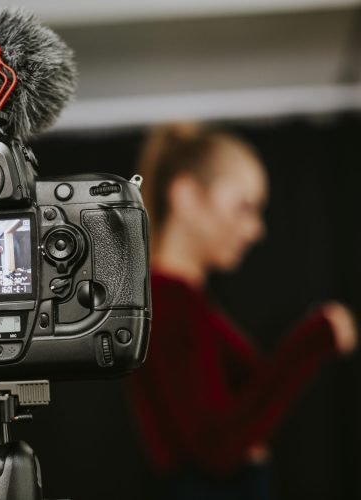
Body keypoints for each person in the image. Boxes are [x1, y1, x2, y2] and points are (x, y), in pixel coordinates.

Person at [131, 124, 357, 500]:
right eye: (245, 207)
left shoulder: (184, 300)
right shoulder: (168, 302)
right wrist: (316, 339)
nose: (256, 230)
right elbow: (217, 446)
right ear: (186, 196)